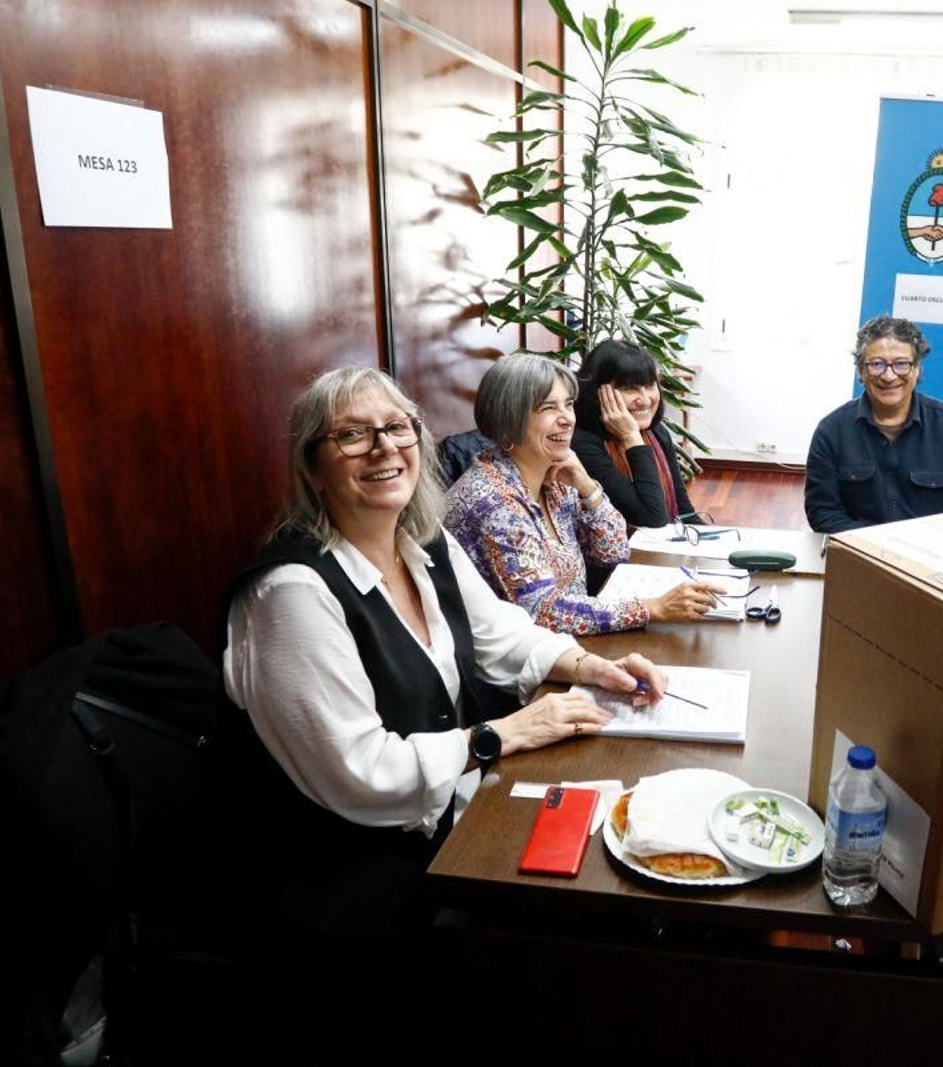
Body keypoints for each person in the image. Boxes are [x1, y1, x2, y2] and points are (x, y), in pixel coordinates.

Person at [221, 367, 666, 1047]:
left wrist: (589, 666)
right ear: (311, 467)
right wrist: (495, 736)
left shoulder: (422, 541)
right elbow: (360, 772)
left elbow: (503, 634)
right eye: (352, 435)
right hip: (345, 870)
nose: (384, 447)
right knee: (570, 923)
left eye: (398, 427)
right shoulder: (292, 593)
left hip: (434, 818)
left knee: (613, 857)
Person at [445, 353, 720, 634]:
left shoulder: (555, 473)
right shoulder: (495, 503)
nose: (567, 419)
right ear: (508, 418)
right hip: (520, 653)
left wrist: (588, 487)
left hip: (567, 640)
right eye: (548, 408)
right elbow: (541, 612)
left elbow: (613, 551)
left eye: (568, 404)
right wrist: (653, 608)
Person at [804, 315, 943, 533]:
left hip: (934, 549)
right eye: (876, 364)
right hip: (857, 549)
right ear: (861, 371)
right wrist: (876, 545)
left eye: (901, 364)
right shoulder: (831, 432)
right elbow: (822, 512)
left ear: (917, 369)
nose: (889, 376)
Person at [573, 338, 696, 529]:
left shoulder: (656, 433)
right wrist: (631, 436)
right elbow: (652, 519)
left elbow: (684, 511)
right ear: (597, 394)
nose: (645, 400)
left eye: (650, 386)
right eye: (630, 389)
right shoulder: (582, 446)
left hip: (663, 544)